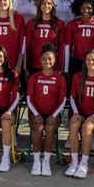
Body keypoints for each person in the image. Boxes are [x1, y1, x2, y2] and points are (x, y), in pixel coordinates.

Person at [65, 50, 94, 179]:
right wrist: (75, 113)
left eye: (93, 60)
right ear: (84, 61)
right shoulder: (77, 76)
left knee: (87, 127)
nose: (90, 62)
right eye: (88, 60)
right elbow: (73, 98)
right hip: (81, 114)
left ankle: (83, 164)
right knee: (74, 124)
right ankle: (74, 162)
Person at [27, 44, 67, 176]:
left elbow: (62, 100)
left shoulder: (60, 78)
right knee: (38, 128)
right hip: (36, 112)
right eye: (44, 59)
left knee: (49, 128)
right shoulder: (34, 77)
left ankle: (46, 161)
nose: (47, 62)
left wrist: (54, 115)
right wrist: (36, 113)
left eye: (50, 59)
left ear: (55, 60)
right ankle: (37, 161)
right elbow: (29, 99)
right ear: (40, 60)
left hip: (53, 114)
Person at [64, 0, 94, 75]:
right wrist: (66, 69)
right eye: (83, 8)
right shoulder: (72, 25)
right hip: (76, 62)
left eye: (89, 8)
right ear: (79, 9)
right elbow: (67, 49)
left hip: (93, 62)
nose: (86, 11)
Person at [25, 0, 65, 75]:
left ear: (53, 5)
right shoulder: (31, 23)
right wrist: (26, 66)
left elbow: (61, 48)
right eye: (43, 3)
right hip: (35, 63)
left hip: (52, 64)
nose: (46, 6)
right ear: (39, 5)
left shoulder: (59, 24)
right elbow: (27, 47)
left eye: (49, 3)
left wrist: (60, 67)